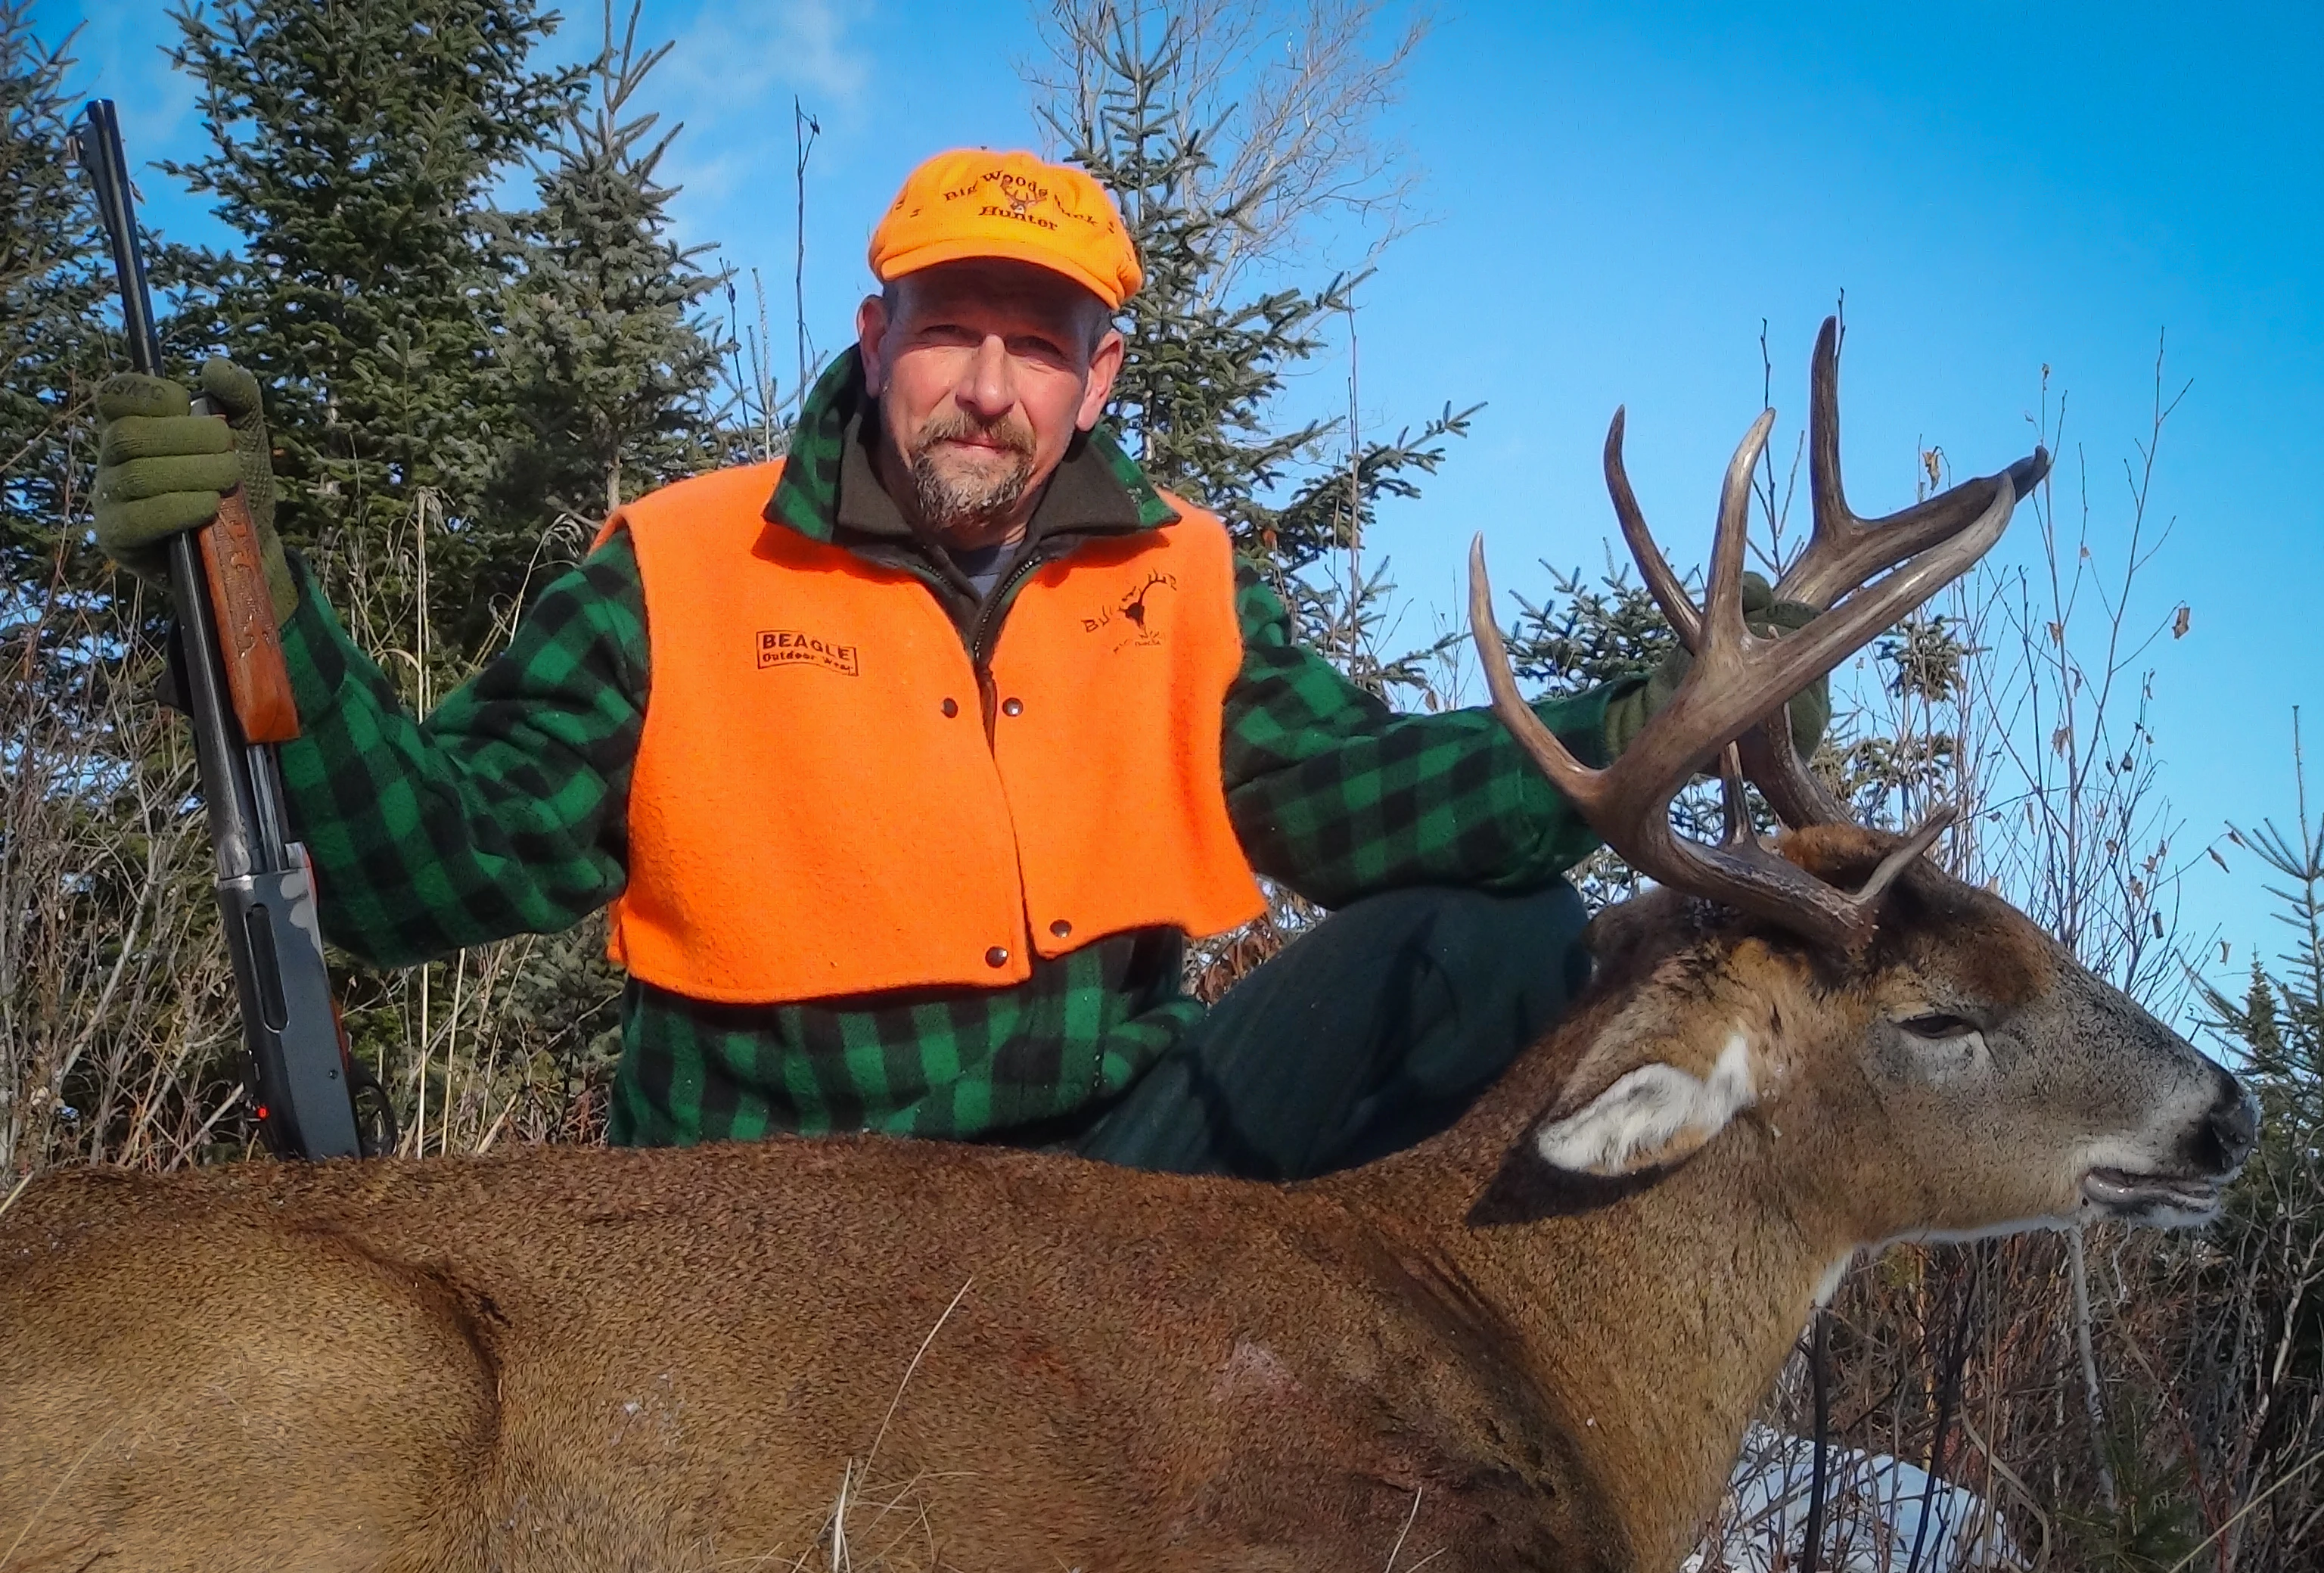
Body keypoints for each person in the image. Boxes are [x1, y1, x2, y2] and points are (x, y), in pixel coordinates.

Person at [90, 147, 1822, 1177]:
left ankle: (1384, 1451)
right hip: (770, 1228)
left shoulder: (1188, 577)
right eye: (951, 330)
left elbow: (1349, 796)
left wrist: (1649, 722)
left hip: (1103, 1193)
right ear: (878, 338)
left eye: (1040, 343)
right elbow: (429, 865)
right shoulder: (680, 570)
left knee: (1493, 938)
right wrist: (266, 617)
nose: (988, 385)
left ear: (1102, 376)